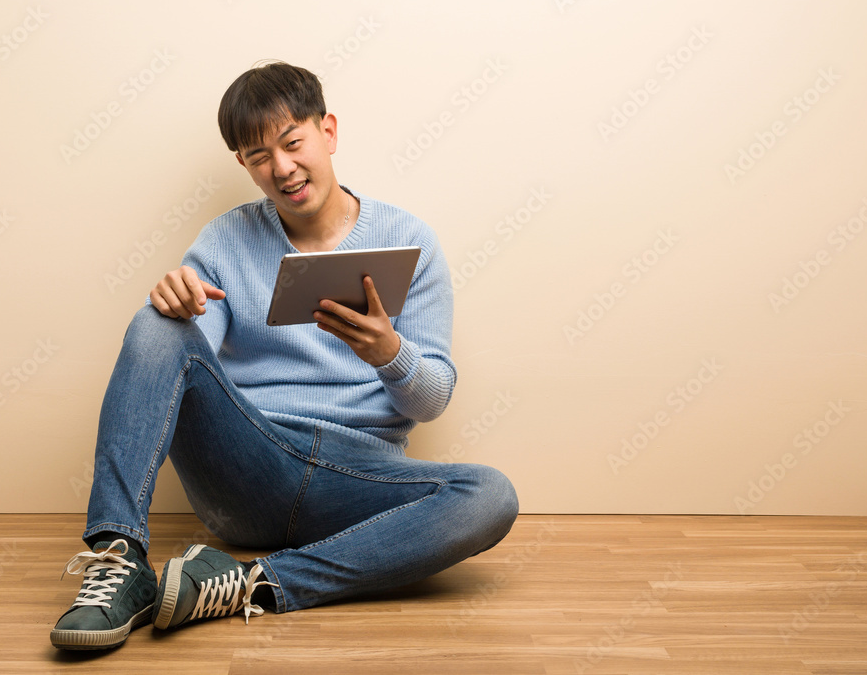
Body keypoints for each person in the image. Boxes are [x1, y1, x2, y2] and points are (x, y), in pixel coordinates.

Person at [50, 61, 519, 650]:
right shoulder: (225, 240)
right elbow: (188, 350)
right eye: (258, 157)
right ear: (244, 167)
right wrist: (180, 300)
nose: (282, 168)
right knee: (156, 322)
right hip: (252, 463)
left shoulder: (412, 241)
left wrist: (390, 354)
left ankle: (248, 584)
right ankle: (118, 562)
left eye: (293, 142)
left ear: (329, 132)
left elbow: (432, 401)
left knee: (491, 495)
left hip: (359, 483)